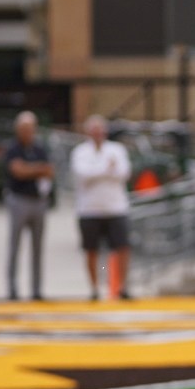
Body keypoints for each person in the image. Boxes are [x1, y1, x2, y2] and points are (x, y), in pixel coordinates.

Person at [69, 115, 133, 301]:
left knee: (122, 247)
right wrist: (106, 169)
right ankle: (94, 288)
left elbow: (123, 172)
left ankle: (121, 286)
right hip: (89, 209)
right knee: (91, 250)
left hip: (115, 207)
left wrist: (98, 170)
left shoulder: (116, 149)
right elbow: (83, 174)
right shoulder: (80, 151)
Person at [3, 111, 53, 302]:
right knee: (15, 246)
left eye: (30, 129)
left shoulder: (39, 149)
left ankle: (36, 289)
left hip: (38, 200)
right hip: (19, 200)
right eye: (24, 129)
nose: (27, 132)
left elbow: (49, 171)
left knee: (38, 247)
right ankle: (12, 288)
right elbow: (17, 171)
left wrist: (29, 169)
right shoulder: (13, 149)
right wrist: (36, 169)